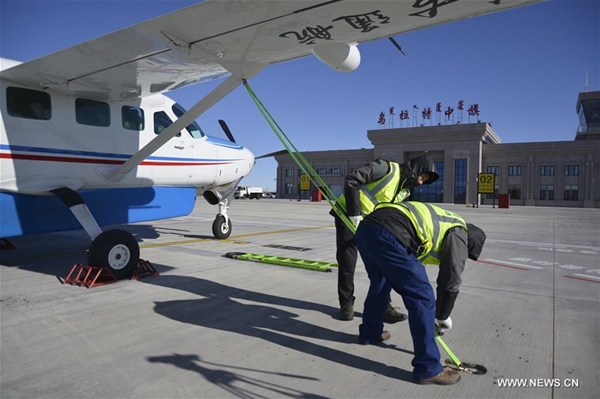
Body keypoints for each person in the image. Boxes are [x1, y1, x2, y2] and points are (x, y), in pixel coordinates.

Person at [355, 201, 486, 385]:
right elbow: (451, 279)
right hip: (389, 232)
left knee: (381, 282)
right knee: (422, 296)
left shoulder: (448, 221)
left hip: (366, 229)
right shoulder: (459, 235)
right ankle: (428, 368)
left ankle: (370, 332)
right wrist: (441, 316)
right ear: (469, 242)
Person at [331, 155, 439, 321]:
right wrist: (354, 213)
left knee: (381, 265)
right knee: (347, 261)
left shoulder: (405, 191)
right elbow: (352, 179)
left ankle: (384, 306)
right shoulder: (386, 168)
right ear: (417, 169)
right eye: (422, 177)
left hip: (371, 225)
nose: (420, 183)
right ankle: (346, 303)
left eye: (424, 181)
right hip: (347, 215)